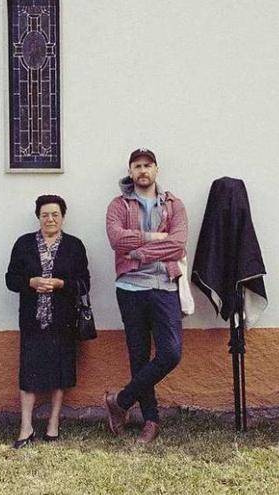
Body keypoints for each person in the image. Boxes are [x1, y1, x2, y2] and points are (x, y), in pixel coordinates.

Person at [103, 148, 188, 444]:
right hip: (130, 289)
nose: (142, 170)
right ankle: (151, 420)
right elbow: (116, 239)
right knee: (138, 356)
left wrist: (138, 252)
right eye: (137, 166)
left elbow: (178, 245)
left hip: (164, 285)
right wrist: (154, 238)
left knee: (170, 353)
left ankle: (121, 401)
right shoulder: (118, 205)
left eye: (147, 165)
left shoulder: (174, 205)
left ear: (156, 169)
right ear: (130, 171)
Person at [5, 195, 90, 448]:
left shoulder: (75, 246)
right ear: (38, 217)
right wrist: (30, 282)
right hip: (32, 319)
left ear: (63, 216)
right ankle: (26, 426)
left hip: (63, 320)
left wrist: (61, 284)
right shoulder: (23, 244)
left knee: (60, 371)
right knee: (28, 371)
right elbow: (10, 279)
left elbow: (84, 282)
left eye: (55, 214)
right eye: (45, 215)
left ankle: (53, 424)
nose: (50, 219)